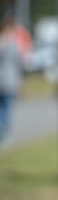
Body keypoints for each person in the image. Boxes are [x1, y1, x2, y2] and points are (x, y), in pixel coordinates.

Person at [0, 14, 24, 146]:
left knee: (2, 107)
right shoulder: (13, 43)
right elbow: (19, 62)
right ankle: (4, 133)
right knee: (6, 108)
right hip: (9, 80)